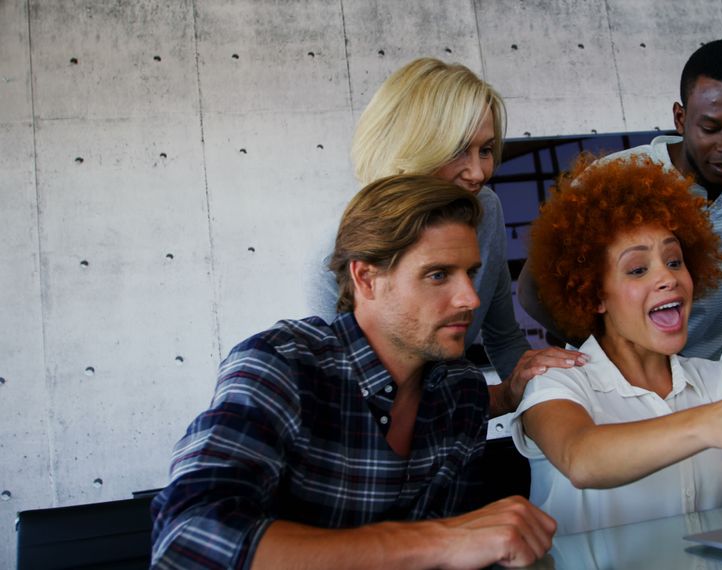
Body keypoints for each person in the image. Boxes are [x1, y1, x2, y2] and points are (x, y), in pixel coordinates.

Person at [152, 176, 556, 569]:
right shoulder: (281, 364)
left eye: (470, 272)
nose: (470, 297)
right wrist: (445, 539)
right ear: (366, 278)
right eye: (438, 275)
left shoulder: (460, 393)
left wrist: (509, 393)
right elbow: (187, 539)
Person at [510, 156, 722, 535]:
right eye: (638, 269)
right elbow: (582, 458)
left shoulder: (715, 381)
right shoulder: (557, 381)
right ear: (595, 295)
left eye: (674, 261)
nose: (667, 278)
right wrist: (711, 423)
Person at [303, 58, 584, 417]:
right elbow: (343, 397)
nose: (479, 172)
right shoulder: (331, 255)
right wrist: (499, 397)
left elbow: (503, 337)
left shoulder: (486, 209)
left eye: (486, 150)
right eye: (457, 151)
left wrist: (547, 400)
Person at [517, 38, 722, 359]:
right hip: (609, 387)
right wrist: (618, 360)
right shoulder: (614, 178)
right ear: (680, 119)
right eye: (710, 128)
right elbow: (532, 290)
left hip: (700, 384)